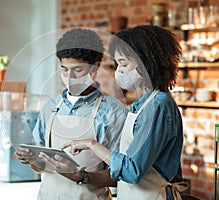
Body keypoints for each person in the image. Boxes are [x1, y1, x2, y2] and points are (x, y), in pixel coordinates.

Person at [56, 25, 188, 200]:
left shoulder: (158, 106)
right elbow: (120, 168)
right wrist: (81, 176)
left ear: (146, 62)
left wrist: (92, 145)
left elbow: (132, 171)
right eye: (117, 64)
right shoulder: (142, 104)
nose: (119, 71)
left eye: (124, 63)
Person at [16, 28, 128, 200]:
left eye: (77, 69)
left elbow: (122, 174)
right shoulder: (50, 107)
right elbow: (42, 163)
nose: (69, 76)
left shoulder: (113, 112)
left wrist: (82, 176)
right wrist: (31, 159)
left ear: (95, 67)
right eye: (64, 69)